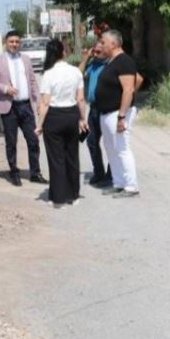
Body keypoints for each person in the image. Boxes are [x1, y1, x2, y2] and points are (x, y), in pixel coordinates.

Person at [0, 30, 48, 186]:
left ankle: (35, 173)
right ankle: (14, 171)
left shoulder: (26, 59)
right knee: (11, 141)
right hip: (9, 107)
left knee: (33, 140)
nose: (14, 44)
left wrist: (38, 102)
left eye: (17, 42)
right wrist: (5, 88)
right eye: (11, 42)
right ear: (5, 43)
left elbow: (33, 82)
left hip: (25, 106)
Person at [35, 39, 88, 207]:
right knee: (72, 155)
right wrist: (82, 119)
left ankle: (58, 198)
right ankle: (74, 195)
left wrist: (40, 125)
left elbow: (45, 103)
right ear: (63, 52)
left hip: (54, 117)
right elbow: (80, 99)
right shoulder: (75, 72)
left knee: (56, 158)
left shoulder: (48, 74)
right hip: (71, 114)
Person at [96, 30, 139, 197]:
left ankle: (131, 186)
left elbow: (128, 89)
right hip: (106, 113)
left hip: (118, 113)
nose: (101, 45)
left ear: (113, 44)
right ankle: (118, 182)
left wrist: (122, 116)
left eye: (104, 42)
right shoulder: (111, 61)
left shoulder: (124, 61)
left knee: (122, 148)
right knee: (111, 149)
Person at [78, 41, 112, 186]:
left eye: (99, 52)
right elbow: (78, 74)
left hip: (109, 108)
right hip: (94, 109)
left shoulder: (111, 65)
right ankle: (98, 172)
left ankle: (112, 173)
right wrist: (86, 58)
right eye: (95, 52)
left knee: (111, 143)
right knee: (92, 141)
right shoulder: (93, 65)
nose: (96, 54)